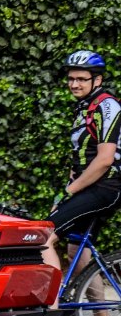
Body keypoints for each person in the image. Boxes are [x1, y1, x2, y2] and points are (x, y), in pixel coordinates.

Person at [41, 50, 121, 285]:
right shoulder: (85, 107)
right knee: (76, 251)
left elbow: (104, 159)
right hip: (91, 186)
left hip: (106, 187)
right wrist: (66, 191)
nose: (74, 84)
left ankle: (50, 307)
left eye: (81, 79)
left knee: (44, 238)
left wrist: (70, 191)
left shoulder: (107, 106)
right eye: (71, 79)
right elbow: (81, 156)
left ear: (97, 80)